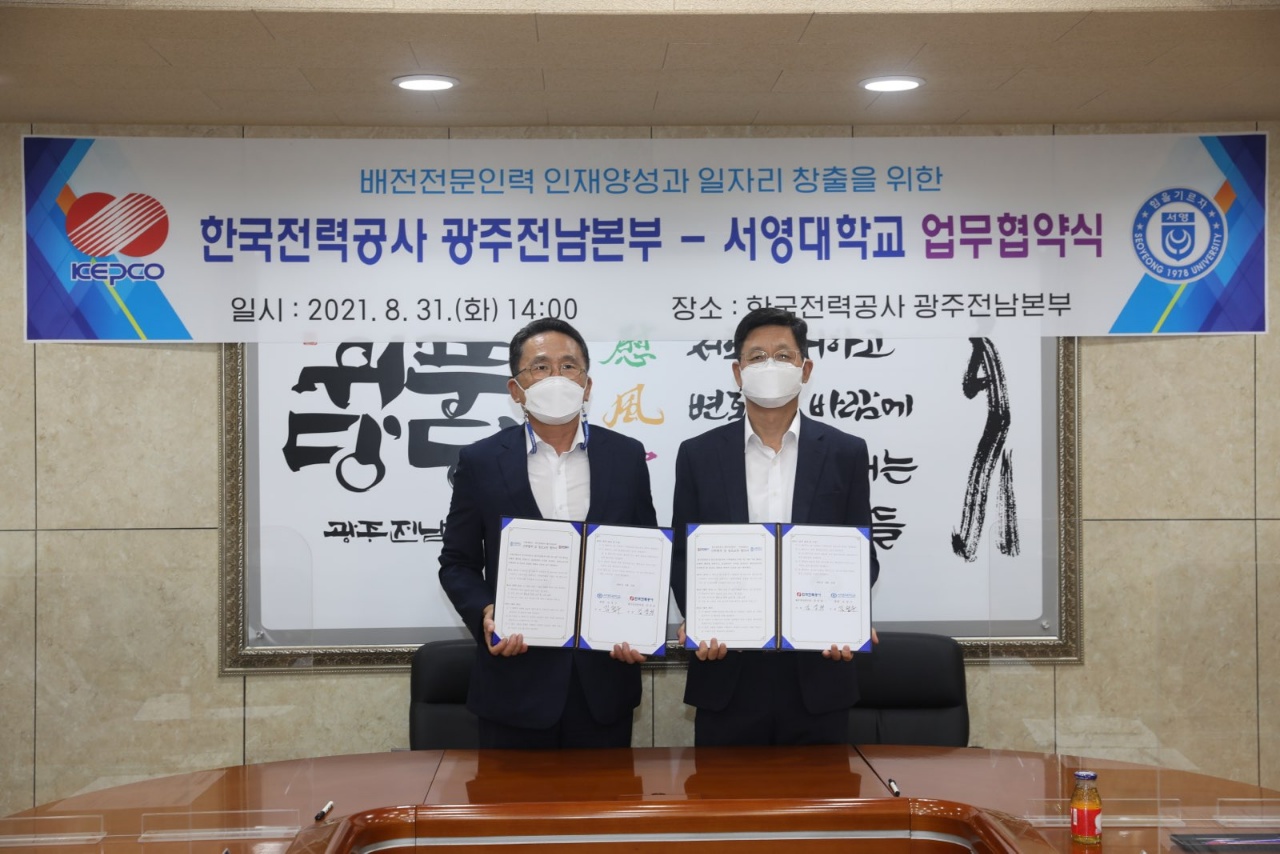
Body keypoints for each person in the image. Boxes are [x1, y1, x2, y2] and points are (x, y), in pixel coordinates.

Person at [438, 317, 658, 749]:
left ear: (587, 385)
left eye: (568, 366)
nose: (556, 377)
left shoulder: (626, 457)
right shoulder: (481, 461)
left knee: (604, 795)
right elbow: (457, 563)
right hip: (514, 687)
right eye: (540, 367)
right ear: (516, 389)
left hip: (604, 684)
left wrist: (640, 626)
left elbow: (645, 554)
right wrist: (485, 612)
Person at [671, 306, 880, 747]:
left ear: (806, 369)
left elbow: (862, 555)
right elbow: (683, 556)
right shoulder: (697, 454)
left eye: (783, 355)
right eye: (757, 356)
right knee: (721, 793)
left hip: (819, 674)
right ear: (737, 372)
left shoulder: (845, 452)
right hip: (725, 672)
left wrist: (850, 617)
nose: (770, 365)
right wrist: (701, 618)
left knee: (821, 793)